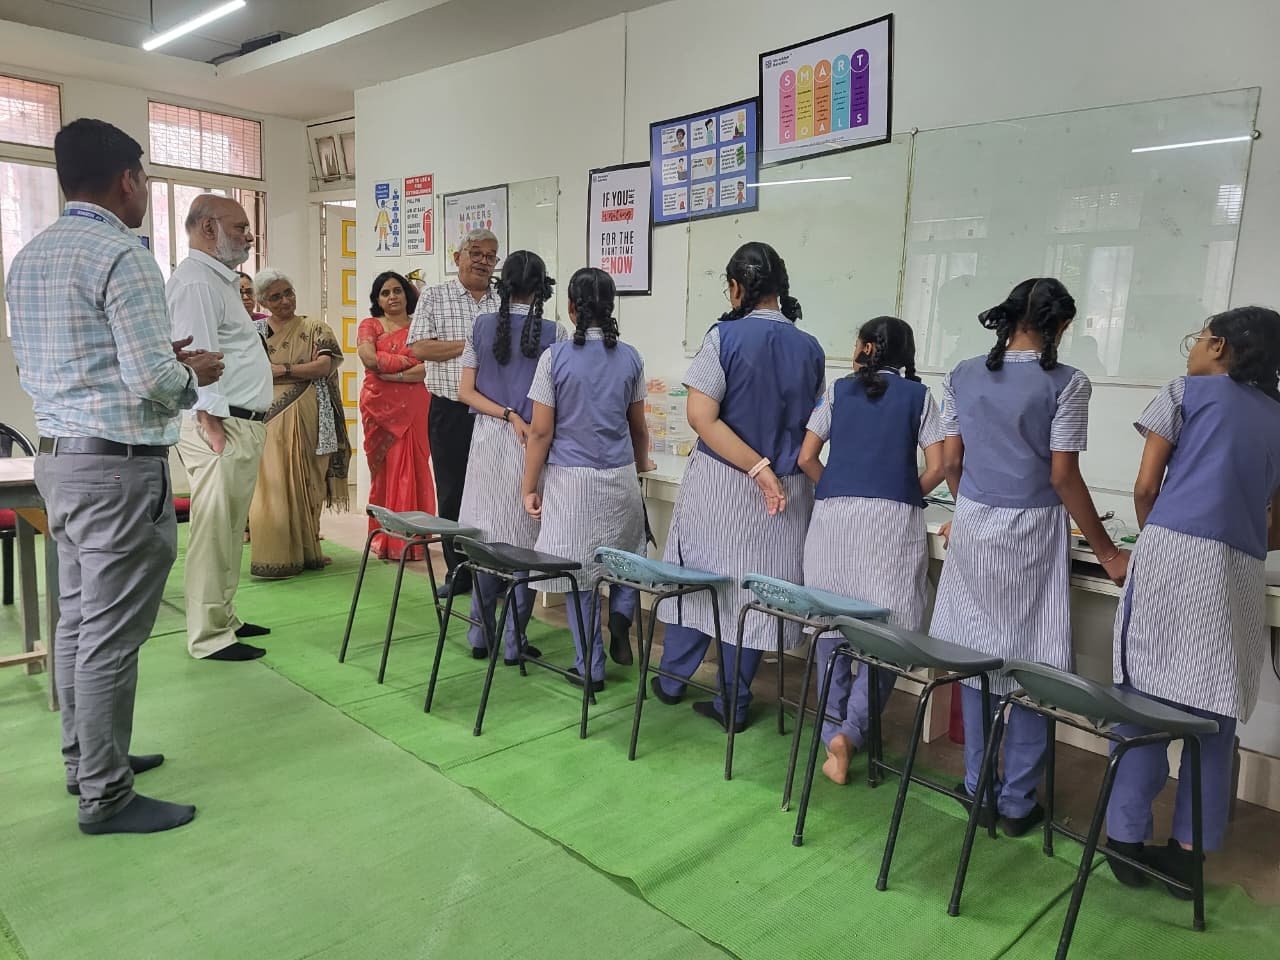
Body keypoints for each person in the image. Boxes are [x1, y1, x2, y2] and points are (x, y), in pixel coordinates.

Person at [6, 118, 223, 834]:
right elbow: (154, 380)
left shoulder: (29, 257)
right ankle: (105, 795)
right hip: (118, 469)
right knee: (109, 636)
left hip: (61, 460)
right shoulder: (124, 255)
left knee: (77, 621)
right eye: (145, 178)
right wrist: (192, 375)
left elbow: (63, 359)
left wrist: (158, 360)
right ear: (128, 179)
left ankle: (86, 761)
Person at [932, 277, 1129, 836]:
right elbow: (1063, 476)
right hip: (1031, 530)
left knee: (975, 657)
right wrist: (1107, 551)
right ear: (1059, 326)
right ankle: (1018, 803)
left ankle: (978, 787)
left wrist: (968, 506)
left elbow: (951, 463)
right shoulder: (1069, 382)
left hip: (973, 523)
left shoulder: (962, 373)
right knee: (1032, 664)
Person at [1104, 307, 1280, 894]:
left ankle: (1126, 842)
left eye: (1199, 338)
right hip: (1241, 568)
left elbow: (1144, 487)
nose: (1194, 348)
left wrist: (1160, 538)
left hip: (1170, 555)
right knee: (1214, 716)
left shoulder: (1184, 393)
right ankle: (1188, 858)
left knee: (1142, 702)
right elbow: (1278, 525)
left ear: (1220, 347)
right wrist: (1238, 536)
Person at [652, 242, 825, 732]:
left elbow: (700, 416)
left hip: (724, 484)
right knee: (752, 597)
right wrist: (772, 468)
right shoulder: (811, 348)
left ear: (735, 288)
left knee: (699, 582)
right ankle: (735, 702)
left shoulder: (723, 337)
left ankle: (672, 680)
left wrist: (755, 466)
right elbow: (815, 425)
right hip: (786, 496)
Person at [797, 316, 945, 785]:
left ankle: (831, 732)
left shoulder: (837, 393)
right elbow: (940, 465)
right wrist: (903, 491)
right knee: (888, 632)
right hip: (891, 524)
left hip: (834, 520)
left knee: (832, 625)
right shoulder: (920, 397)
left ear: (864, 348)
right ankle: (852, 733)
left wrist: (835, 487)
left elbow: (806, 458)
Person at [522, 267, 651, 690]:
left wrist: (529, 486)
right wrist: (642, 464)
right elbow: (638, 428)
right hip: (621, 477)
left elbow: (540, 432)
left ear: (572, 308)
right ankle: (622, 613)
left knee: (578, 576)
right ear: (611, 308)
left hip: (573, 484)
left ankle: (590, 666)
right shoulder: (631, 357)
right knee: (625, 556)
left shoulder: (554, 358)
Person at [169, 195, 274, 662]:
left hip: (236, 421)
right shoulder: (196, 283)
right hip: (220, 425)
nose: (249, 236)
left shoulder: (218, 280)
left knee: (230, 529)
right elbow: (198, 359)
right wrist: (210, 423)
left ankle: (224, 617)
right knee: (213, 531)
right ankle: (208, 636)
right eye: (240, 227)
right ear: (208, 228)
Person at [455, 251, 560, 663]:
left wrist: (505, 413)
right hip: (532, 443)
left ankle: (479, 635)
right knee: (526, 546)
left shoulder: (481, 325)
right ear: (541, 289)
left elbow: (465, 392)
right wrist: (521, 416)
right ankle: (515, 641)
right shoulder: (555, 333)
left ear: (504, 285)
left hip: (488, 440)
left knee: (486, 540)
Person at [409, 227, 500, 598]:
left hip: (495, 414)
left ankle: (492, 572)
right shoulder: (435, 295)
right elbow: (419, 348)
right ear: (457, 257)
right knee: (452, 493)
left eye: (490, 256)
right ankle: (458, 573)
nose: (482, 261)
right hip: (449, 411)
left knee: (494, 492)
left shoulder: (503, 300)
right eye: (475, 253)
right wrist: (471, 346)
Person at [248, 268, 349, 579]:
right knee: (272, 485)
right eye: (275, 297)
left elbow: (323, 366)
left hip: (311, 411)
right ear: (263, 302)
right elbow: (252, 371)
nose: (284, 301)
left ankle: (308, 549)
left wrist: (282, 370)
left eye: (288, 293)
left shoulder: (315, 327)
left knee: (310, 479)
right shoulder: (255, 332)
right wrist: (294, 369)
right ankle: (276, 555)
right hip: (268, 415)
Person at [358, 272, 435, 561]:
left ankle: (414, 538)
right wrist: (409, 363)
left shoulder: (420, 326)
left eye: (397, 291)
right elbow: (368, 359)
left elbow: (428, 368)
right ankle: (386, 538)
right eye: (385, 293)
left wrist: (393, 372)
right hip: (378, 407)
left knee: (415, 467)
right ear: (377, 299)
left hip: (415, 406)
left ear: (406, 294)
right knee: (387, 470)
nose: (392, 297)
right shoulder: (370, 325)